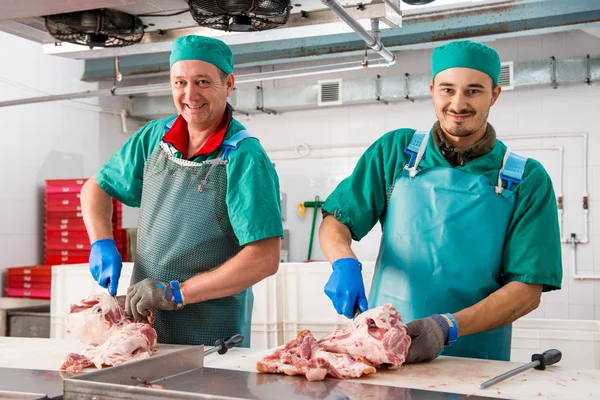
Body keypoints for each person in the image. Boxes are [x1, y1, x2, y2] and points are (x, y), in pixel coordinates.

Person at [318, 40, 562, 363]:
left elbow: (527, 291)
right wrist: (342, 261)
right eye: (447, 90)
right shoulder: (396, 152)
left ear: (495, 94)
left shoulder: (527, 180)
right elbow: (336, 222)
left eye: (473, 91)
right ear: (432, 89)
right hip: (386, 352)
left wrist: (447, 327)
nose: (458, 104)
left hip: (475, 362)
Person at [80, 35, 283, 347]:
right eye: (180, 82)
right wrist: (102, 242)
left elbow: (264, 258)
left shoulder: (244, 157)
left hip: (213, 337)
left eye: (202, 81)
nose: (190, 94)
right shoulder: (154, 138)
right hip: (145, 331)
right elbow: (95, 188)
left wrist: (176, 293)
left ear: (228, 84)